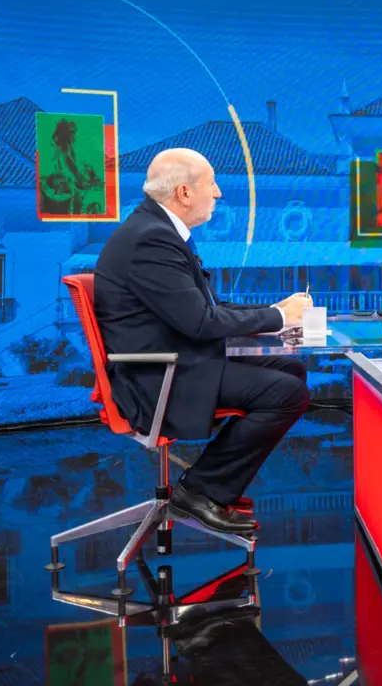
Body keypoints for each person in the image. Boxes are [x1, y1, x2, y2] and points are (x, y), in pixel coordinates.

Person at [94, 148, 313, 535]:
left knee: (290, 366)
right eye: (211, 184)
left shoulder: (155, 230)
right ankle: (200, 490)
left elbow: (204, 306)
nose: (218, 193)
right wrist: (280, 318)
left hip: (180, 359)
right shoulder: (151, 240)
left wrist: (274, 311)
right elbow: (200, 321)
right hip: (158, 377)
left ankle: (213, 485)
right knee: (286, 393)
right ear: (184, 192)